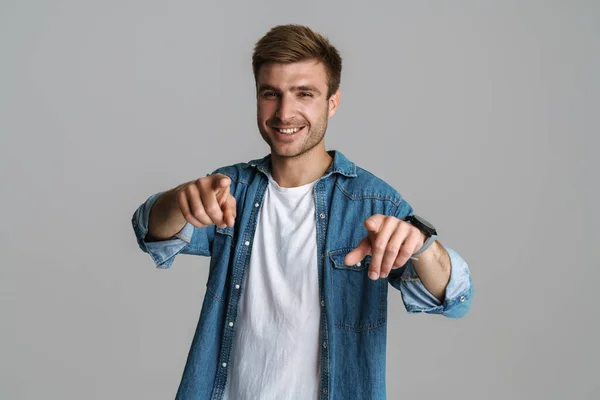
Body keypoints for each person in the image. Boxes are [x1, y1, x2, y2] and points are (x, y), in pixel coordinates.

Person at [132, 24, 473, 400]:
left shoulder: (373, 203)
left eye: (304, 94)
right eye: (270, 94)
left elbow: (455, 298)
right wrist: (181, 198)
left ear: (332, 102)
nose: (284, 112)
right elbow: (151, 232)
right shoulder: (230, 189)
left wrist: (423, 246)